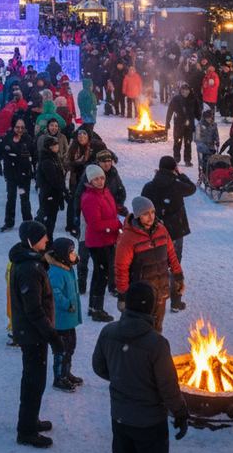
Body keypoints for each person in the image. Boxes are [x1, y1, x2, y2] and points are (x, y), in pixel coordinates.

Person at [92, 280, 189, 453]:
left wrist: (121, 378)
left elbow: (99, 367)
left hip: (120, 418)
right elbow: (168, 387)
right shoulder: (156, 344)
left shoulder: (109, 332)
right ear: (151, 308)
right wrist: (181, 413)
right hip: (150, 424)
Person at [8, 219, 62, 448]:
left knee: (33, 380)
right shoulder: (29, 268)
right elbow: (34, 309)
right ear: (31, 241)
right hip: (33, 335)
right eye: (43, 237)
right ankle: (26, 430)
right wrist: (52, 337)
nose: (47, 240)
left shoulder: (31, 261)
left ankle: (30, 420)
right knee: (34, 382)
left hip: (33, 332)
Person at [114, 196, 183, 334]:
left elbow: (172, 255)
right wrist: (123, 295)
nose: (151, 217)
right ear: (138, 215)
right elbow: (121, 268)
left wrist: (179, 276)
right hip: (141, 294)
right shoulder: (128, 238)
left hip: (161, 291)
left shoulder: (161, 230)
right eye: (146, 214)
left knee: (157, 329)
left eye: (152, 212)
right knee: (139, 332)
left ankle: (155, 354)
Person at [141, 157, 197, 313]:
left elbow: (143, 207)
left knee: (156, 265)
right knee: (175, 265)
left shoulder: (149, 186)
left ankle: (153, 298)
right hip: (175, 230)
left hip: (156, 230)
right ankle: (175, 301)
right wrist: (180, 175)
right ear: (174, 168)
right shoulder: (177, 185)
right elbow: (192, 188)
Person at [80, 164, 122, 322]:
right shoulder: (90, 197)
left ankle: (93, 307)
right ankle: (97, 309)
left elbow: (110, 211)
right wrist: (116, 225)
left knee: (100, 274)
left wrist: (118, 214)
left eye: (102, 178)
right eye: (96, 179)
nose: (99, 181)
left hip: (107, 239)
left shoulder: (105, 192)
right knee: (101, 276)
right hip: (99, 242)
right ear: (90, 180)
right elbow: (95, 224)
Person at [46, 237, 83, 392]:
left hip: (69, 318)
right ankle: (59, 377)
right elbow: (55, 293)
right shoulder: (56, 271)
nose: (73, 254)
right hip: (61, 320)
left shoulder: (68, 267)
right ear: (62, 254)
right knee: (61, 348)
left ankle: (66, 372)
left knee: (70, 346)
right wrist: (67, 304)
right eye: (71, 252)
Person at [0, 116, 35, 231]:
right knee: (11, 198)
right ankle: (9, 222)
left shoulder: (28, 138)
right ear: (13, 127)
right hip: (11, 173)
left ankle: (28, 222)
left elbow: (32, 154)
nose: (20, 130)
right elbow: (2, 152)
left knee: (25, 199)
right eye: (17, 127)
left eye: (22, 127)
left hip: (24, 173)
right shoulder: (7, 137)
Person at [35, 135, 67, 242]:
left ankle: (46, 240)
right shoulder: (48, 161)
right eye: (55, 144)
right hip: (49, 195)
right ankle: (46, 242)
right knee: (49, 220)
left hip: (52, 195)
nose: (57, 146)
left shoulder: (53, 157)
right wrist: (63, 188)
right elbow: (54, 179)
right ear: (49, 147)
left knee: (49, 219)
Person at [164, 82, 199, 167]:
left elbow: (198, 112)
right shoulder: (176, 99)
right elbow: (170, 111)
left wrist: (200, 122)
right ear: (181, 91)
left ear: (189, 91)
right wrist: (167, 123)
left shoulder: (193, 99)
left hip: (189, 126)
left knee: (188, 142)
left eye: (187, 90)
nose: (185, 92)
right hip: (179, 125)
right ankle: (176, 158)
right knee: (177, 142)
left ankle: (187, 160)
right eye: (183, 90)